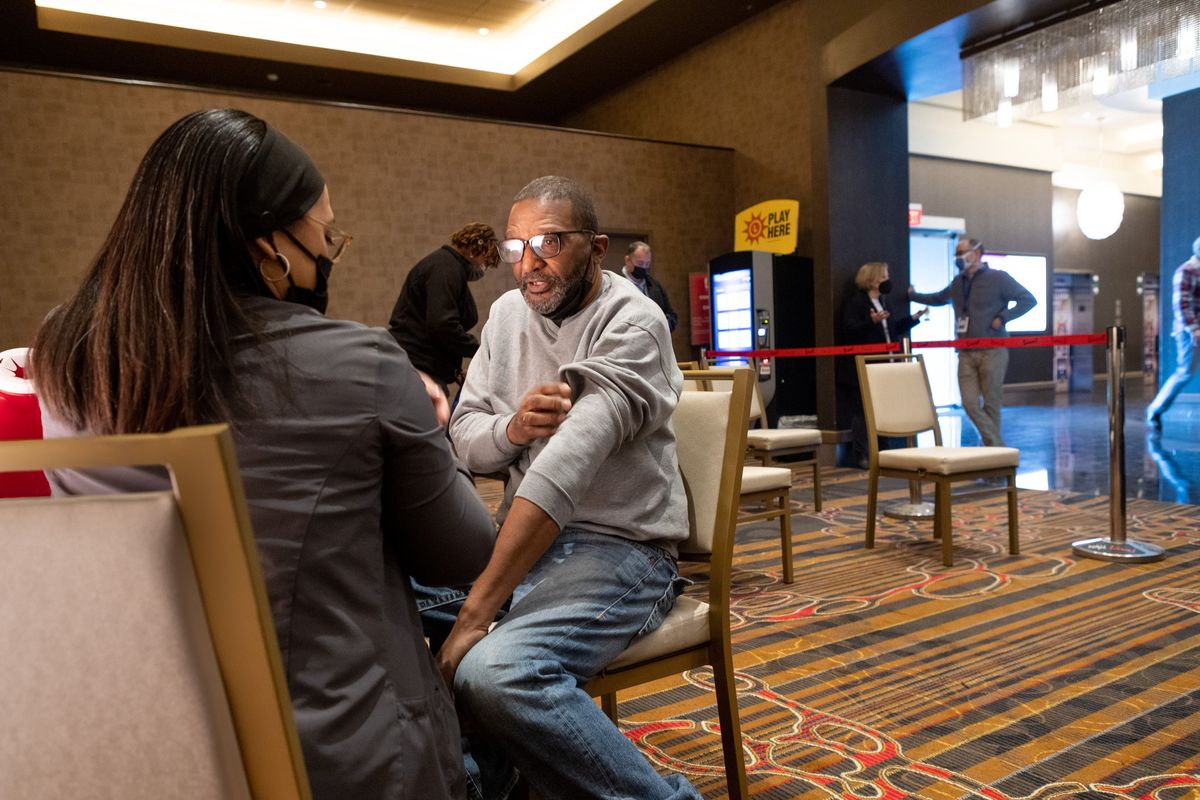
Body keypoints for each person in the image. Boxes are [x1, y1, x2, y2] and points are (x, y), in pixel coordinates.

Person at [30, 108, 497, 800]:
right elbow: (464, 554)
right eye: (324, 238)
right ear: (267, 249)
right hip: (340, 758)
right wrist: (434, 424)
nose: (329, 254)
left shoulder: (65, 357)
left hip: (150, 747)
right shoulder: (361, 365)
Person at [438, 176, 700, 799]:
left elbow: (567, 465)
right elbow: (465, 435)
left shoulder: (633, 321)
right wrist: (512, 426)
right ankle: (483, 776)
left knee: (497, 672)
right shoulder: (505, 316)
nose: (529, 265)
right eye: (516, 246)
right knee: (379, 595)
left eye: (549, 242)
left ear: (598, 247)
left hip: (621, 549)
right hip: (526, 538)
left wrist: (476, 614)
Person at [908, 237, 1035, 447]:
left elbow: (1028, 299)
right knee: (969, 403)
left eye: (962, 252)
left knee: (992, 403)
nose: (959, 257)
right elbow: (938, 298)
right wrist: (913, 296)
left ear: (977, 253)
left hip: (993, 350)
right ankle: (998, 447)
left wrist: (1003, 317)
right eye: (957, 253)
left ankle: (992, 452)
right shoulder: (958, 282)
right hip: (966, 351)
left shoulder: (998, 278)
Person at [388, 223, 499, 392]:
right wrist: (481, 351)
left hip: (421, 370)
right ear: (475, 249)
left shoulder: (447, 267)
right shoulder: (445, 268)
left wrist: (453, 371)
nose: (484, 269)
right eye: (486, 262)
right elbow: (442, 325)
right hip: (418, 372)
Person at [840, 261, 926, 467]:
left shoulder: (884, 302)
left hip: (887, 362)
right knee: (863, 411)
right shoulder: (857, 303)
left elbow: (892, 329)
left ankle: (885, 451)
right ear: (871, 280)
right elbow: (850, 330)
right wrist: (872, 322)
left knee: (883, 408)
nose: (887, 280)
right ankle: (861, 455)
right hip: (865, 364)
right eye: (883, 276)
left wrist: (913, 319)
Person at [1145, 236, 1200, 430]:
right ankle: (1155, 409)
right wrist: (1194, 329)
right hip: (1188, 333)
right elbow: (1181, 305)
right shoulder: (1186, 271)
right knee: (1184, 373)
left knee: (1185, 373)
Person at [621, 240, 678, 332]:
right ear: (628, 260)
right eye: (640, 263)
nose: (643, 267)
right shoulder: (616, 286)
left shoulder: (655, 286)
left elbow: (671, 315)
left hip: (655, 341)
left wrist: (663, 325)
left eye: (647, 264)